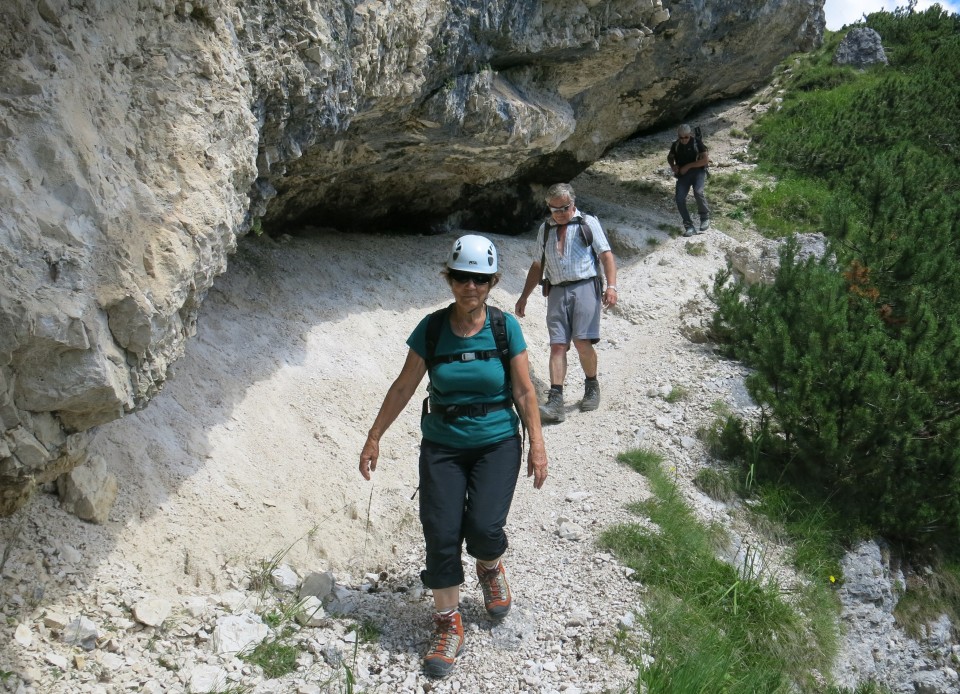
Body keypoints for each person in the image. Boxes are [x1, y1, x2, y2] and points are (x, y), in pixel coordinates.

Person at [359, 234, 548, 679]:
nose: (471, 287)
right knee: (441, 533)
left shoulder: (505, 328)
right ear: (450, 279)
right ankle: (448, 623)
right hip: (442, 445)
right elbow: (404, 386)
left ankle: (489, 565)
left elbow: (523, 389)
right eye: (462, 277)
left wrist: (537, 444)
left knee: (483, 527)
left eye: (480, 279)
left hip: (497, 441)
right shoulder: (431, 328)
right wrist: (374, 436)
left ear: (492, 282)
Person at [514, 183, 618, 424]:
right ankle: (556, 401)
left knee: (582, 342)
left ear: (573, 204)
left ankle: (592, 385)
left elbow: (606, 255)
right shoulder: (545, 230)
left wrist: (611, 287)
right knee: (557, 346)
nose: (560, 213)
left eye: (564, 207)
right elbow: (537, 266)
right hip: (557, 290)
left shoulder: (588, 223)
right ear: (548, 208)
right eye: (554, 209)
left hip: (585, 286)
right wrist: (524, 296)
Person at [667, 124, 711, 236]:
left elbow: (705, 160)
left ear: (690, 134)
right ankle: (688, 225)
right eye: (681, 137)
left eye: (686, 137)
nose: (683, 140)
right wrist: (673, 166)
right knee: (679, 198)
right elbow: (670, 157)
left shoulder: (697, 143)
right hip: (683, 175)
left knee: (698, 192)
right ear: (678, 136)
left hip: (698, 172)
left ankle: (704, 217)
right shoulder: (676, 145)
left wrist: (689, 166)